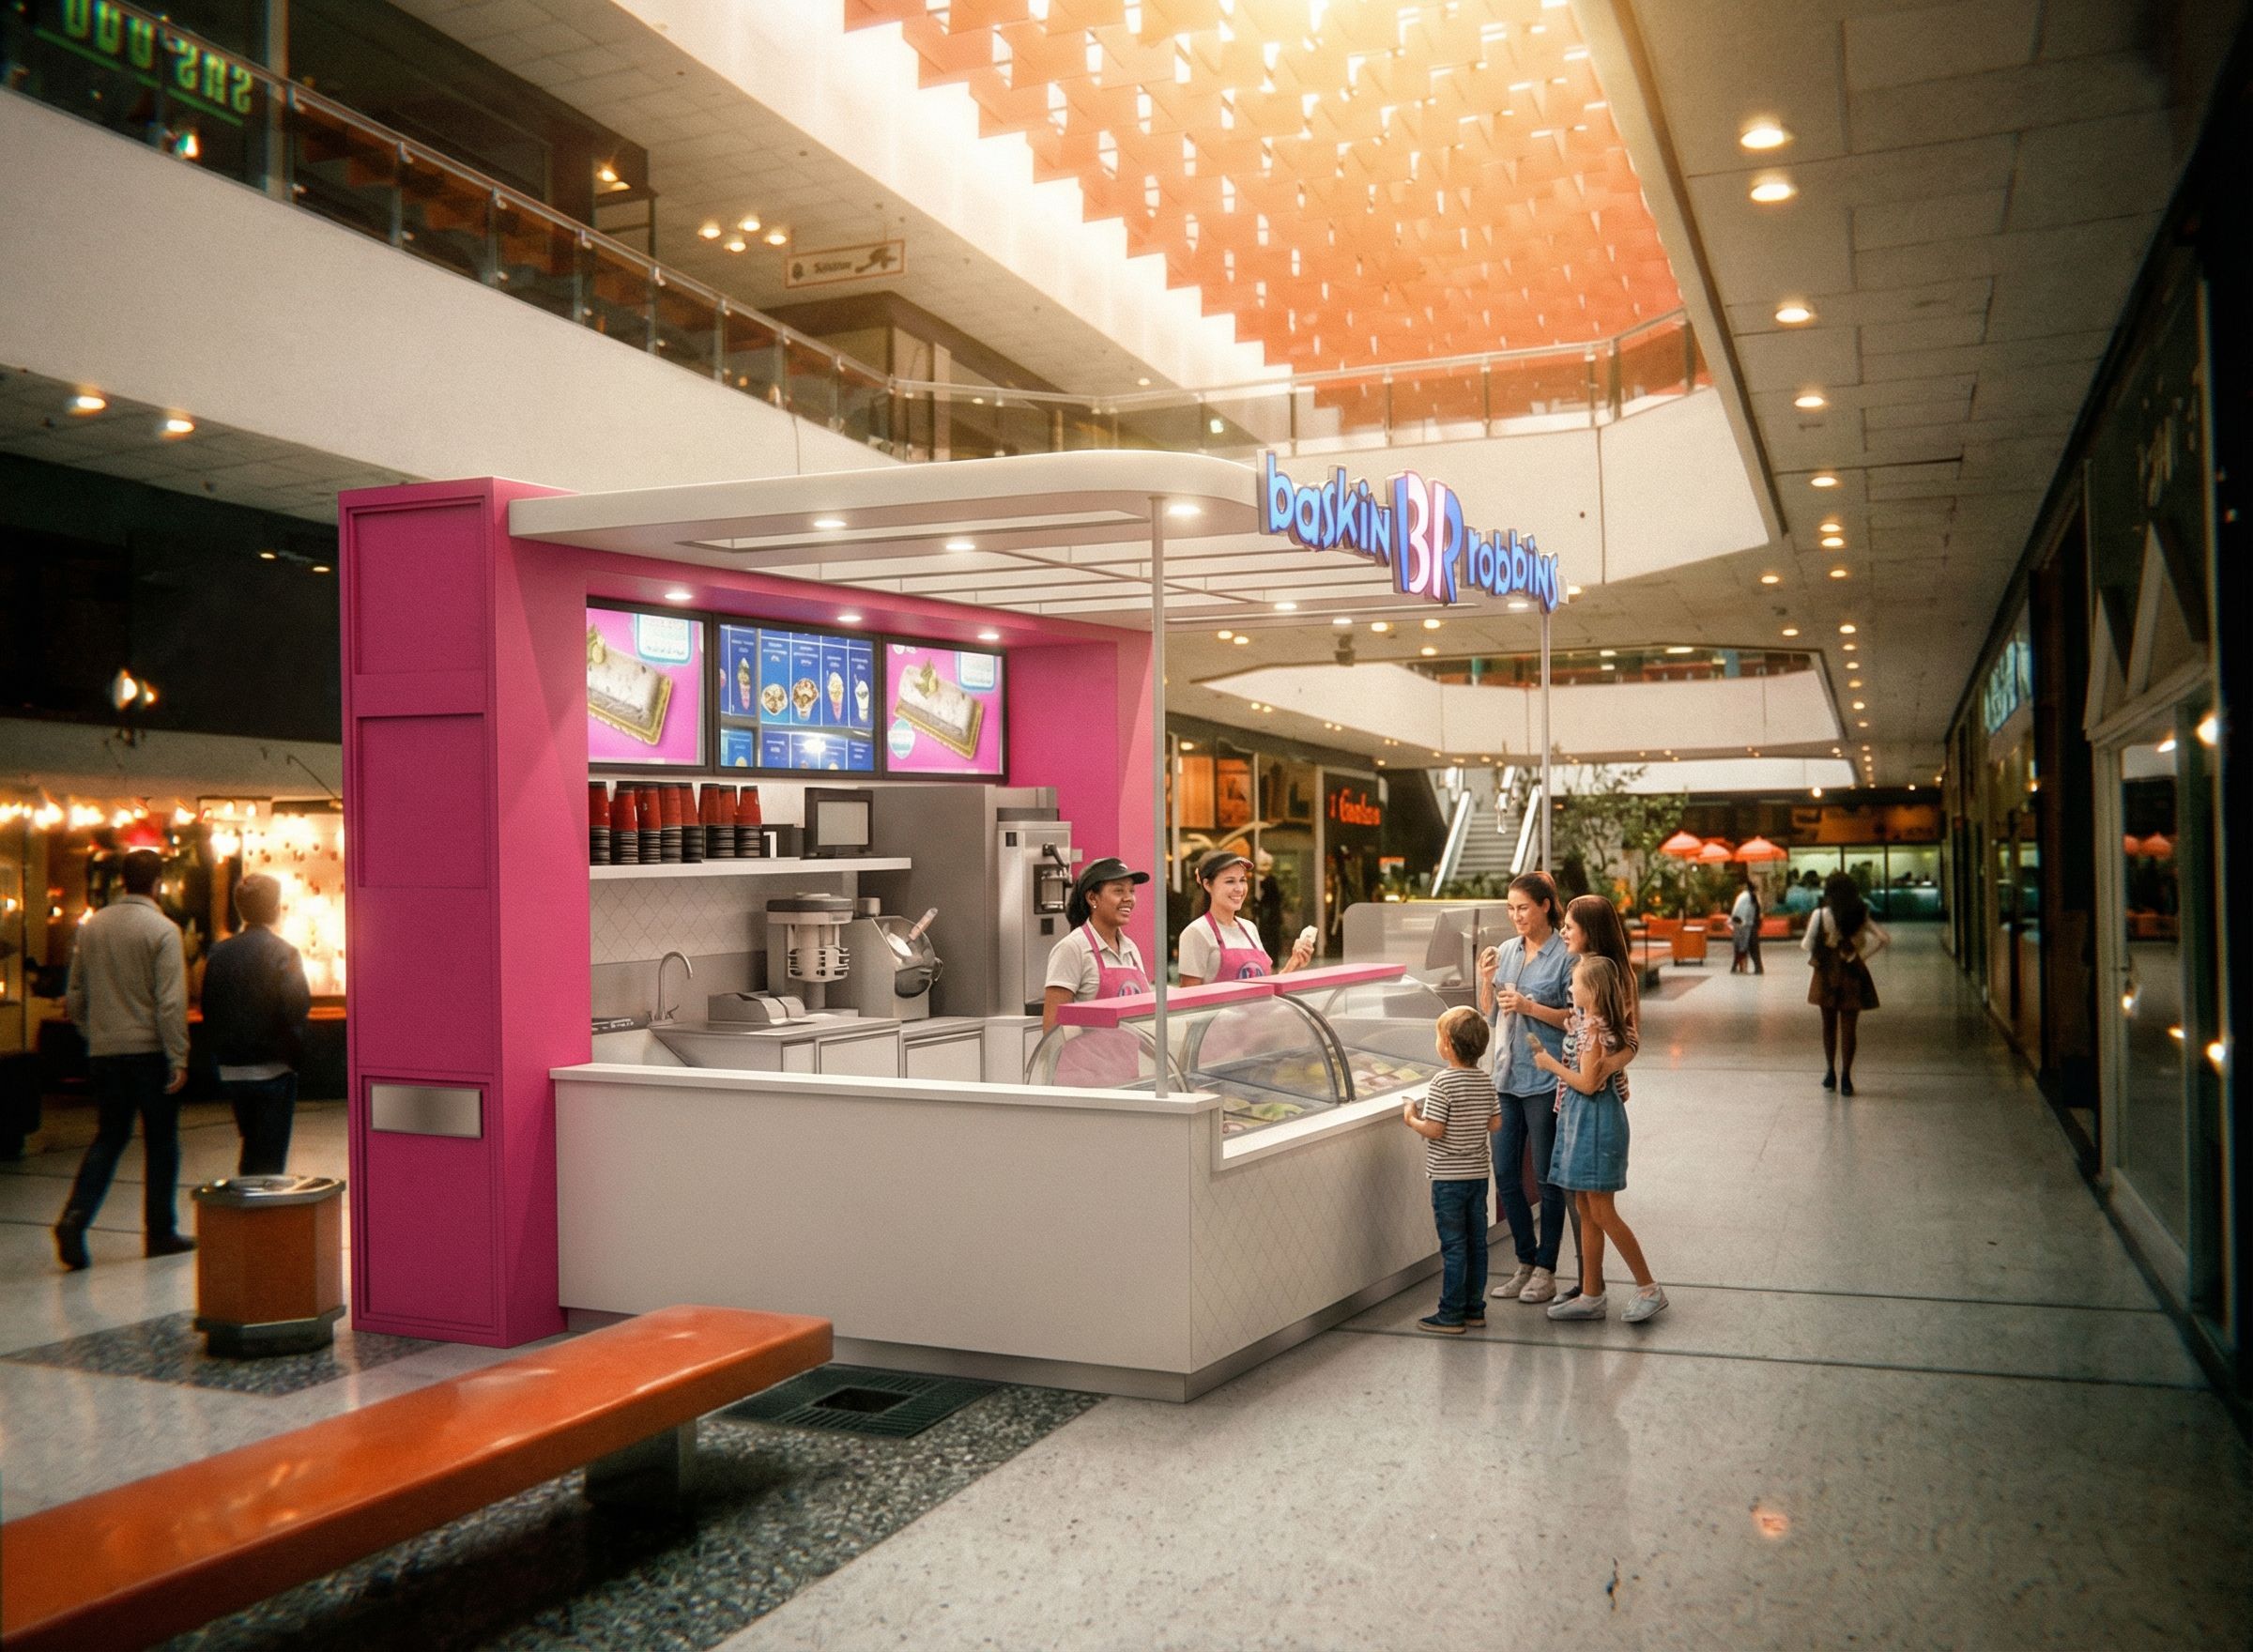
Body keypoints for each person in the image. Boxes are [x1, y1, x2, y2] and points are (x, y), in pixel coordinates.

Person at [54, 849, 192, 1270]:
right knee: (162, 1141)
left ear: (121, 881)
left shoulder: (93, 927)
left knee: (109, 1137)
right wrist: (179, 1055)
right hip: (150, 1053)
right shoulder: (163, 930)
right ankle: (160, 1231)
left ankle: (75, 1217)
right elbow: (170, 1003)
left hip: (105, 1052)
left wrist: (94, 1033)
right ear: (158, 884)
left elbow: (75, 994)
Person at [1530, 955, 1665, 1323]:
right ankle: (1591, 1293)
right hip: (1584, 1121)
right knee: (1587, 1208)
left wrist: (1550, 1064)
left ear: (1591, 990)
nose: (1571, 987)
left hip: (1594, 1123)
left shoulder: (1592, 1031)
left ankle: (1649, 1287)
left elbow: (1588, 1083)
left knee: (1602, 1210)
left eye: (1575, 982)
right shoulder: (1592, 1025)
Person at [1476, 871, 1573, 1305]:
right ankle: (1525, 1261)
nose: (1515, 916)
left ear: (1545, 906)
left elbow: (1575, 1018)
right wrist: (1486, 980)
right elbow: (1491, 1014)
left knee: (1547, 1178)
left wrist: (1530, 1006)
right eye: (1510, 909)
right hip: (1506, 1077)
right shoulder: (1508, 951)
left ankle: (1547, 1269)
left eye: (1523, 908)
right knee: (1505, 1175)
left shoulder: (1565, 955)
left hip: (1545, 1078)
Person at [201, 873, 313, 1176]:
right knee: (270, 1157)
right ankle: (259, 1204)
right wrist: (295, 1053)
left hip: (232, 1067)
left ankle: (246, 1198)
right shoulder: (284, 952)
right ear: (275, 908)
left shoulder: (219, 953)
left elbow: (210, 1006)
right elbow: (297, 1006)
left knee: (251, 1144)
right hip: (273, 1065)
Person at [1401, 1006, 1496, 1334]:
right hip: (1478, 1175)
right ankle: (1474, 1309)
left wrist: (1411, 1118)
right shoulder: (1485, 1080)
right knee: (1477, 1244)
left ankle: (1451, 1314)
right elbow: (1496, 1123)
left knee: (1454, 1246)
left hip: (1448, 1179)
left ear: (1448, 1046)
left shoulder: (1442, 1082)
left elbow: (1435, 1129)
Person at [1803, 871, 1889, 1095]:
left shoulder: (1820, 915)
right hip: (1852, 973)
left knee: (1828, 1026)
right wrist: (1860, 956)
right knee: (1849, 1028)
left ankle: (1830, 1072)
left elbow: (1808, 944)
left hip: (1826, 974)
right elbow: (1883, 938)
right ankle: (1846, 1077)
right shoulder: (1860, 915)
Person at [1177, 849, 1314, 985]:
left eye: (1242, 880)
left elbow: (1266, 987)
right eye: (1230, 881)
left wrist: (1293, 963)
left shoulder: (1250, 928)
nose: (1239, 889)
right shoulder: (1196, 933)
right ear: (1207, 884)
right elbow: (1189, 996)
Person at [1729, 877, 1764, 975]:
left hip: (1746, 925)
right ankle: (1756, 968)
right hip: (1746, 925)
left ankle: (1737, 967)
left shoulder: (1747, 896)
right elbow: (1744, 912)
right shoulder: (1748, 897)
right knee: (1750, 948)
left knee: (1743, 948)